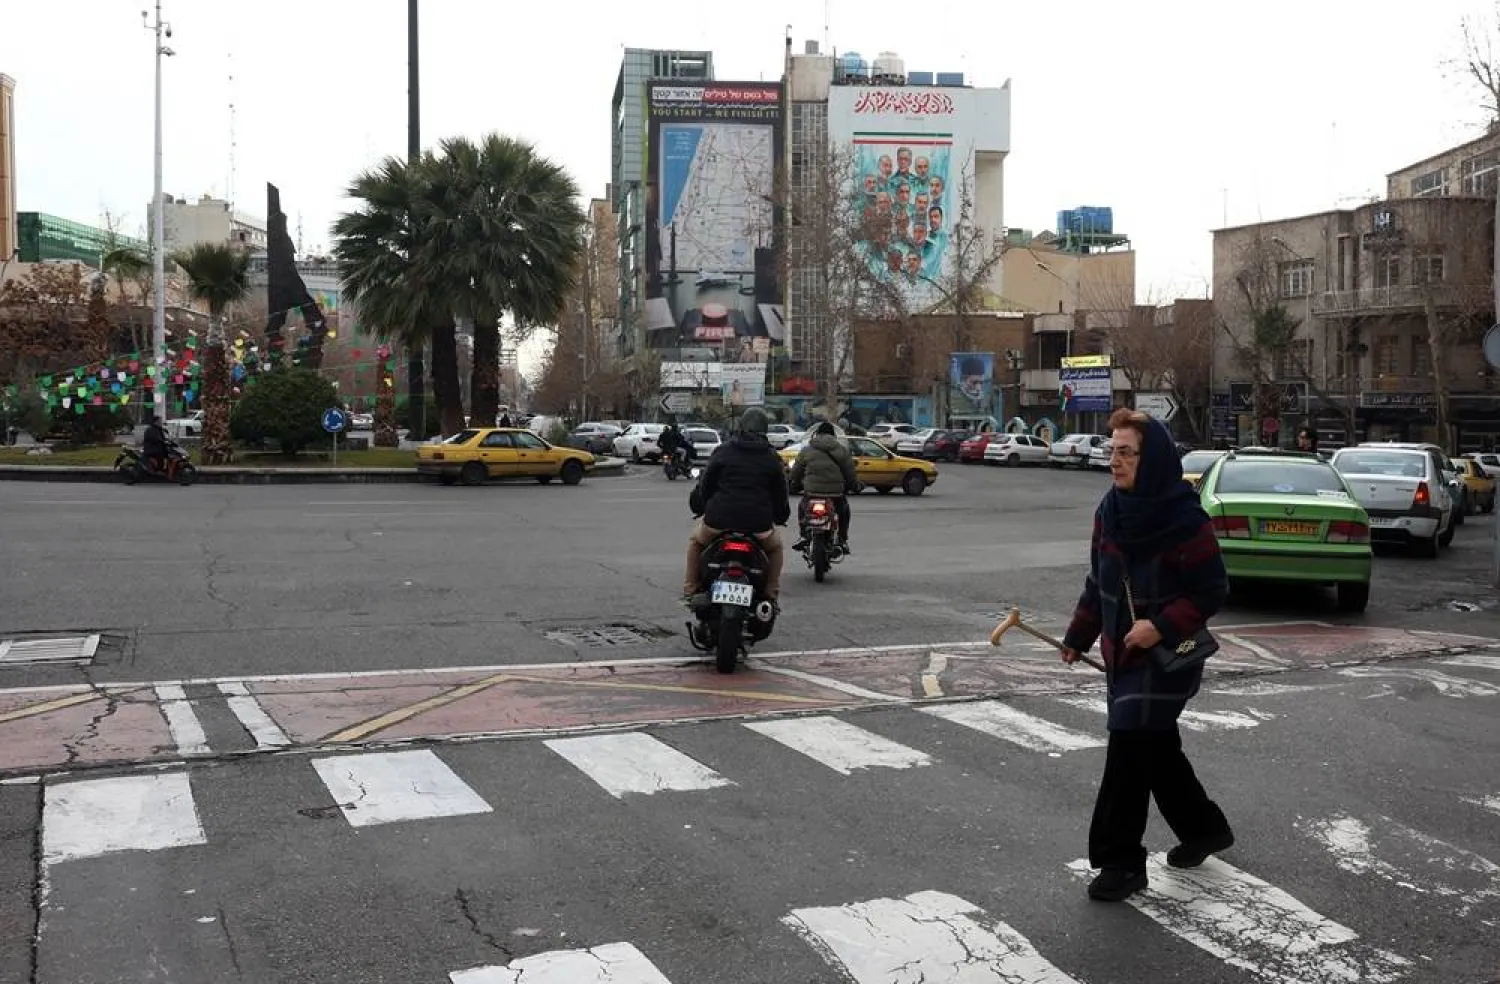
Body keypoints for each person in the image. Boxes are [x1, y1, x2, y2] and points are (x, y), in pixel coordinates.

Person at [1060, 407, 1234, 903]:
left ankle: (1121, 862)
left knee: (1128, 748)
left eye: (1126, 452)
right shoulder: (1110, 512)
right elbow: (1099, 581)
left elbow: (1212, 590)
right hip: (1122, 654)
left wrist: (1157, 627)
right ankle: (1203, 828)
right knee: (1154, 748)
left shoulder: (1184, 519)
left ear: (1151, 457)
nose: (1114, 461)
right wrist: (1078, 636)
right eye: (1111, 451)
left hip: (1166, 657)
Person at [683, 408, 790, 607]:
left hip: (718, 521)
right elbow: (780, 495)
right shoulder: (772, 458)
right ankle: (770, 595)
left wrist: (698, 505)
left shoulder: (723, 451)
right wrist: (781, 516)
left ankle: (690, 589)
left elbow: (705, 486)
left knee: (696, 543)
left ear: (740, 426)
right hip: (758, 526)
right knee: (775, 549)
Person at [788, 421, 859, 554]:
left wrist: (794, 485)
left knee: (802, 508)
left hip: (812, 493)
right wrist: (854, 486)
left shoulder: (807, 450)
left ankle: (803, 535)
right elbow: (850, 473)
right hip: (836, 494)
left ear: (816, 434)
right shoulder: (841, 450)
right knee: (844, 510)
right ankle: (842, 539)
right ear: (833, 435)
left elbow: (796, 472)